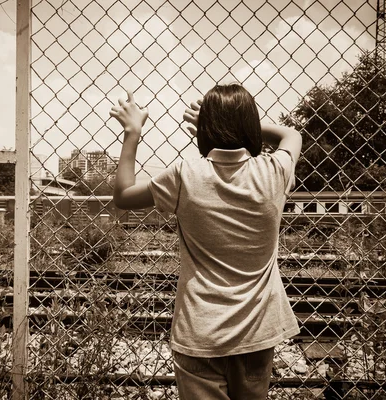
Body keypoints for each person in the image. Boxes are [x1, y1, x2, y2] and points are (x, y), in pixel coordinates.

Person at [109, 83, 302, 400]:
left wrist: (132, 132)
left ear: (205, 129)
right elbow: (291, 135)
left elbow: (123, 196)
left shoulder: (184, 175)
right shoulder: (274, 171)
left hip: (200, 333)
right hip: (258, 331)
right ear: (250, 126)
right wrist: (240, 125)